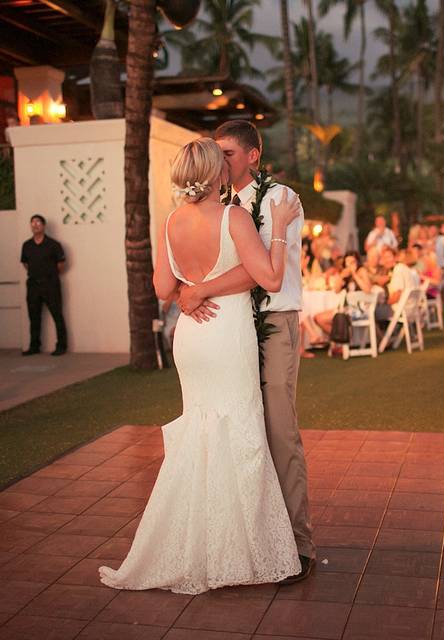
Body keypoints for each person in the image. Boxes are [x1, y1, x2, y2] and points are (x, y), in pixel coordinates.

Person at [99, 137, 302, 594]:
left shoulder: (171, 221)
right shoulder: (233, 217)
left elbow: (163, 287)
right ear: (215, 174)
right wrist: (279, 230)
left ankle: (194, 546)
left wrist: (196, 290)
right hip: (227, 335)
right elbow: (270, 277)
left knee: (201, 432)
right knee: (238, 432)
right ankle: (238, 550)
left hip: (191, 336)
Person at [174, 121, 315, 585]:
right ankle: (247, 538)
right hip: (232, 326)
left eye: (229, 153)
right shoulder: (219, 206)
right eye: (218, 153)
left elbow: (264, 275)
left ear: (253, 155)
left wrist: (197, 290)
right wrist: (192, 291)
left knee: (277, 428)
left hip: (273, 321)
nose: (222, 161)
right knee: (238, 428)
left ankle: (296, 543)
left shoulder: (278, 199)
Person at [20, 214, 67, 356]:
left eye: (38, 222)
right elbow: (25, 263)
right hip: (33, 285)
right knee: (33, 317)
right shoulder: (27, 245)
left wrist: (49, 275)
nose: (35, 225)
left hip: (50, 284)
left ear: (44, 226)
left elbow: (61, 265)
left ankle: (61, 346)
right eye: (32, 222)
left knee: (57, 314)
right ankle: (34, 346)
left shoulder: (54, 245)